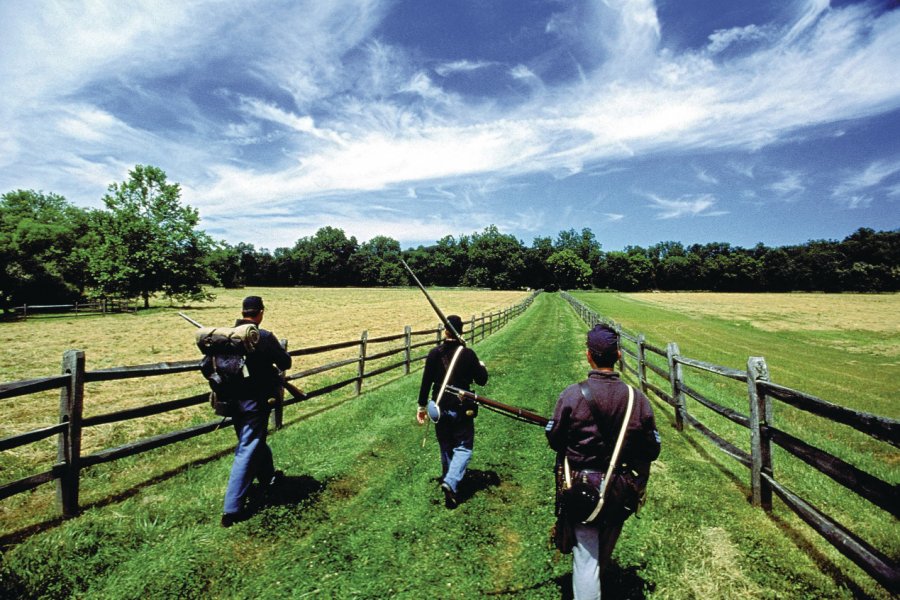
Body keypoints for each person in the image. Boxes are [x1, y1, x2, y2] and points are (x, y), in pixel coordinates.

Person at [545, 323, 661, 600]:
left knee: (586, 560)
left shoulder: (572, 394)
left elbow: (555, 440)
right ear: (618, 355)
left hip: (582, 487)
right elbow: (652, 449)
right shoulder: (638, 399)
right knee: (603, 549)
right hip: (620, 490)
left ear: (589, 355)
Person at [221, 295, 292, 527]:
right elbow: (285, 363)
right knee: (247, 449)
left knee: (255, 440)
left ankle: (269, 478)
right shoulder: (263, 336)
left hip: (231, 401)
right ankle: (231, 510)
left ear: (242, 312)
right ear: (260, 312)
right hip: (254, 402)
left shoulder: (225, 337)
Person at [416, 315, 489, 509]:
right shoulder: (468, 354)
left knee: (446, 446)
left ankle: (451, 483)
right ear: (461, 331)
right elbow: (482, 379)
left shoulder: (434, 353)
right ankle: (451, 482)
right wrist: (480, 365)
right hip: (461, 408)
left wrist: (421, 406)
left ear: (445, 331)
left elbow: (426, 383)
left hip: (438, 408)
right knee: (464, 447)